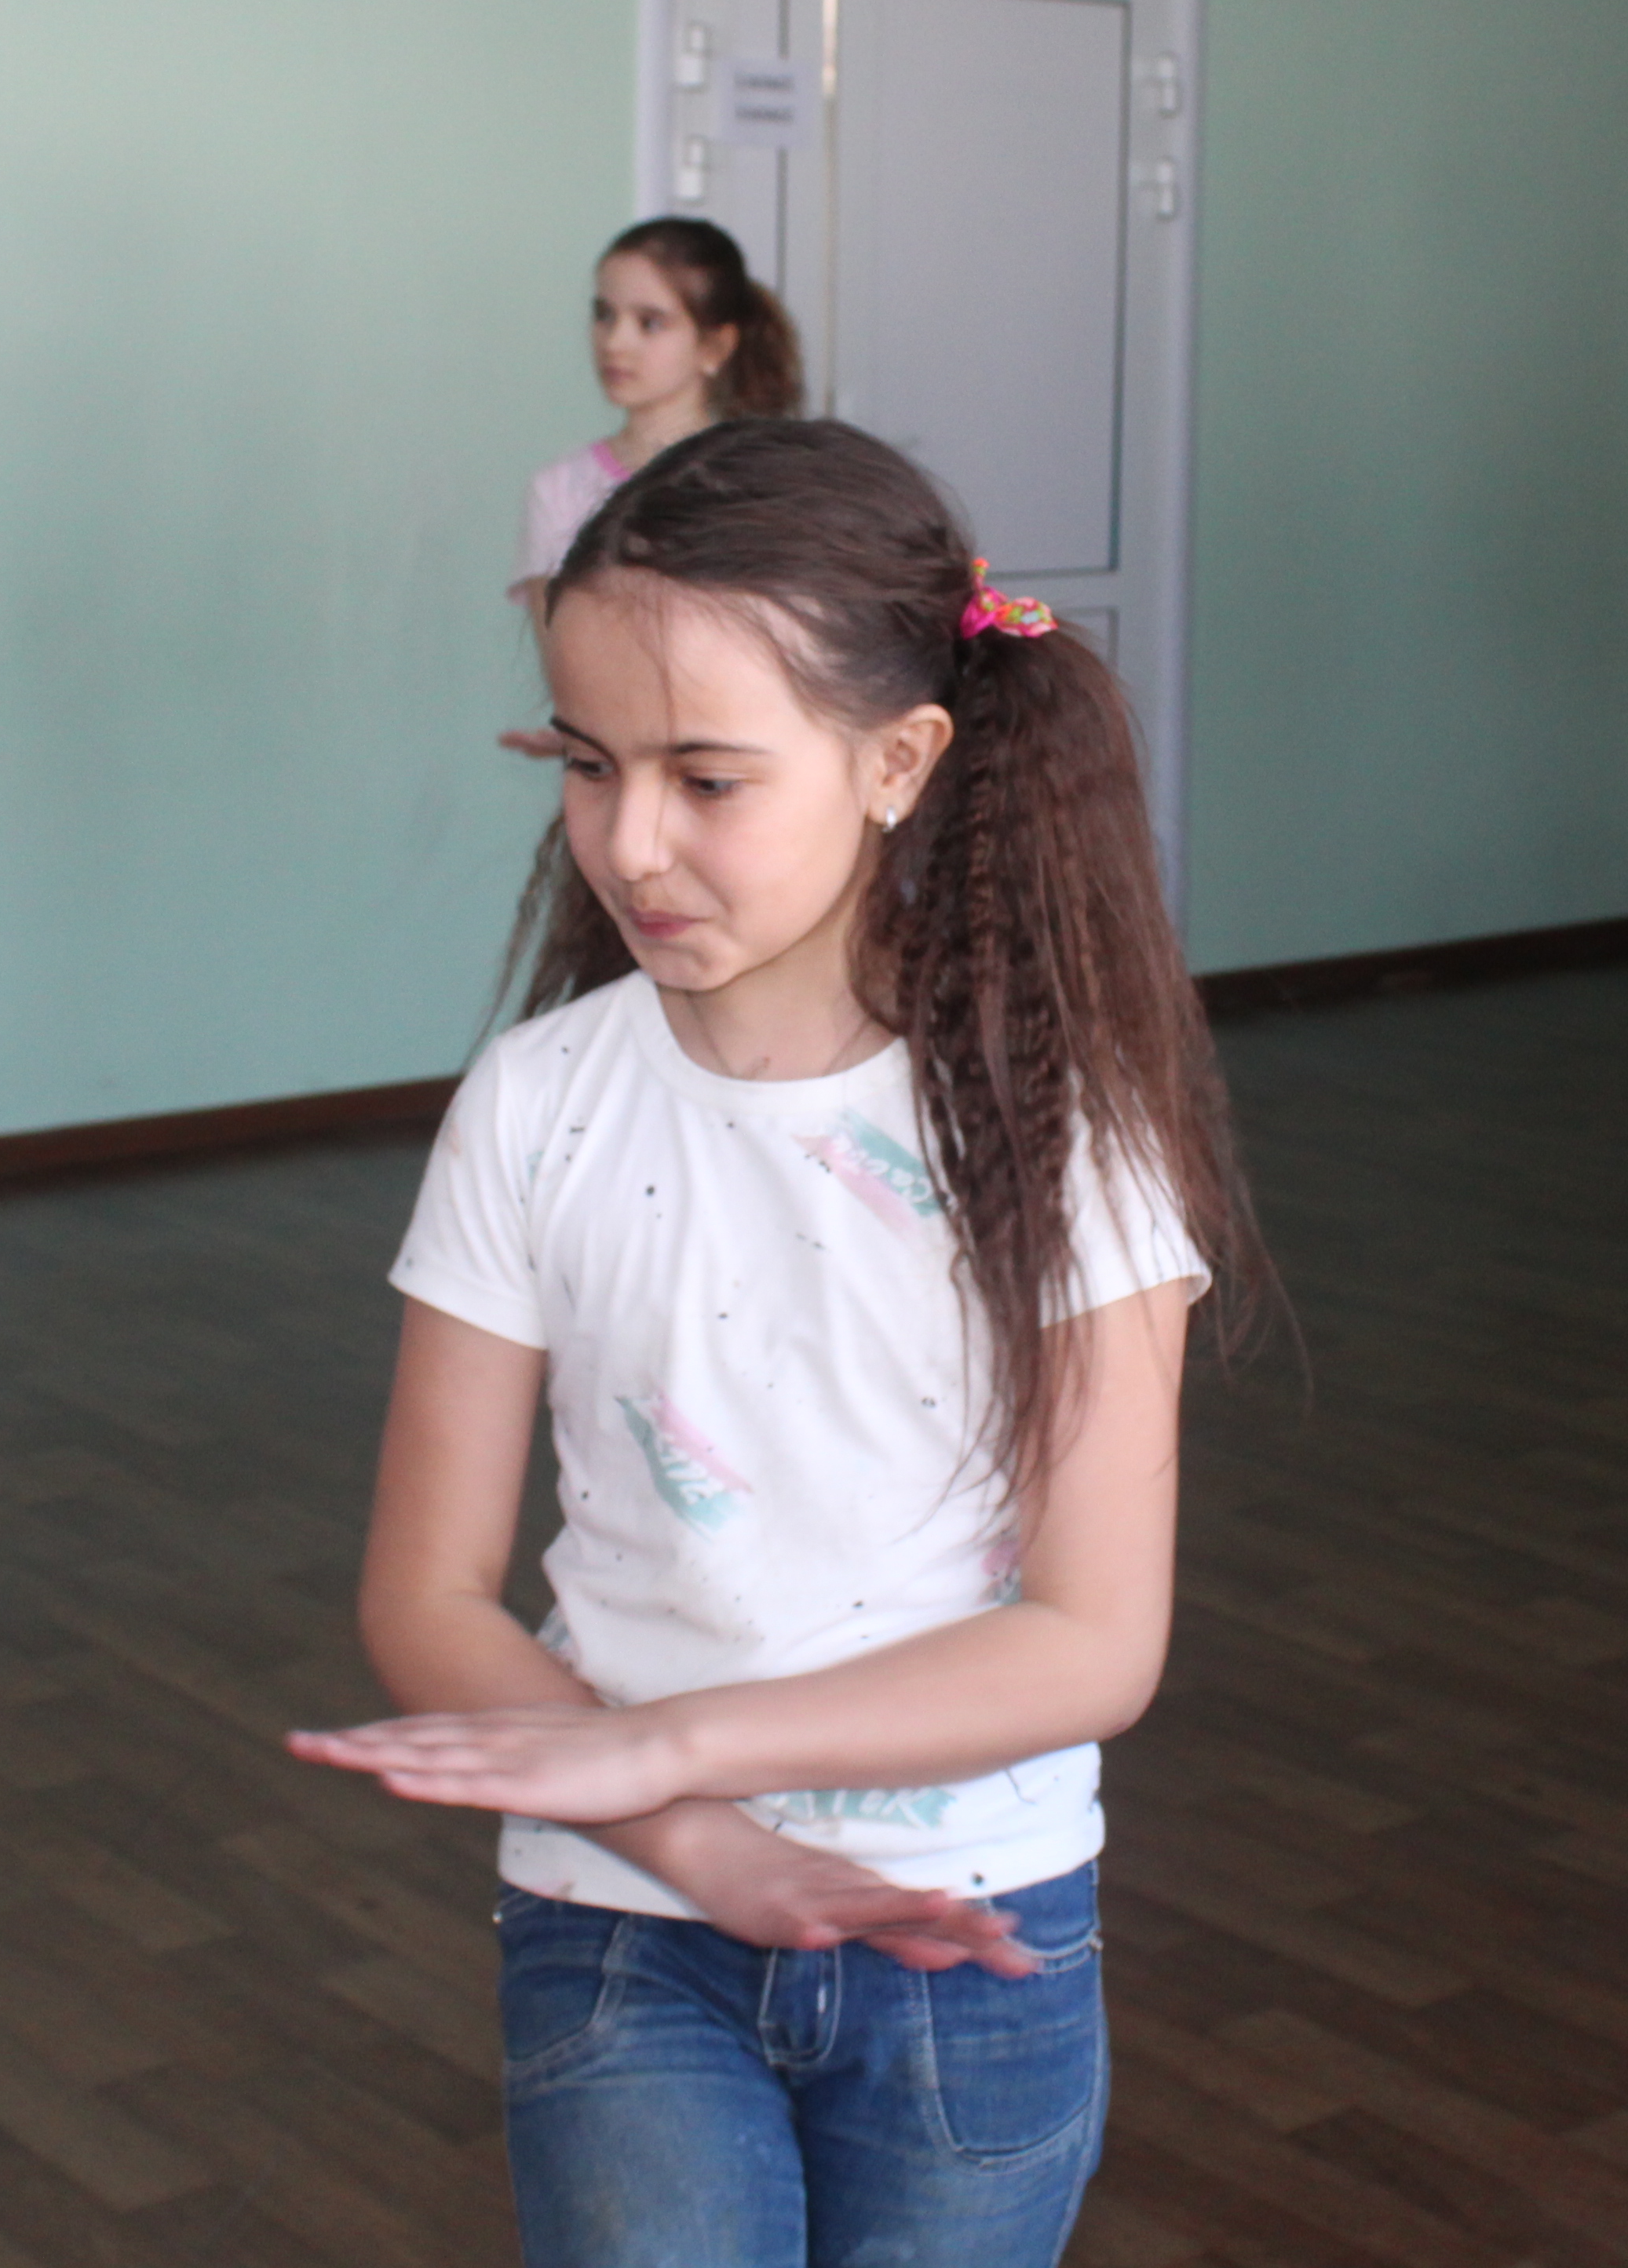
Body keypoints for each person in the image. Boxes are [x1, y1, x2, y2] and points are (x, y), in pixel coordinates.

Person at [297, 421, 1271, 2267]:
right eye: (589, 765)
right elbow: (425, 1590)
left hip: (968, 1935)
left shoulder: (1062, 1138)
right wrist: (687, 1829)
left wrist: (666, 1744)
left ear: (898, 761)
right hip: (618, 1918)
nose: (629, 840)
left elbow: (1093, 1638)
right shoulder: (534, 1103)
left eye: (707, 776)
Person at [495, 219, 801, 756]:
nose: (616, 342)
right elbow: (566, 668)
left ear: (715, 346)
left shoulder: (761, 479)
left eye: (650, 322)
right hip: (613, 760)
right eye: (604, 315)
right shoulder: (558, 490)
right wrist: (583, 737)